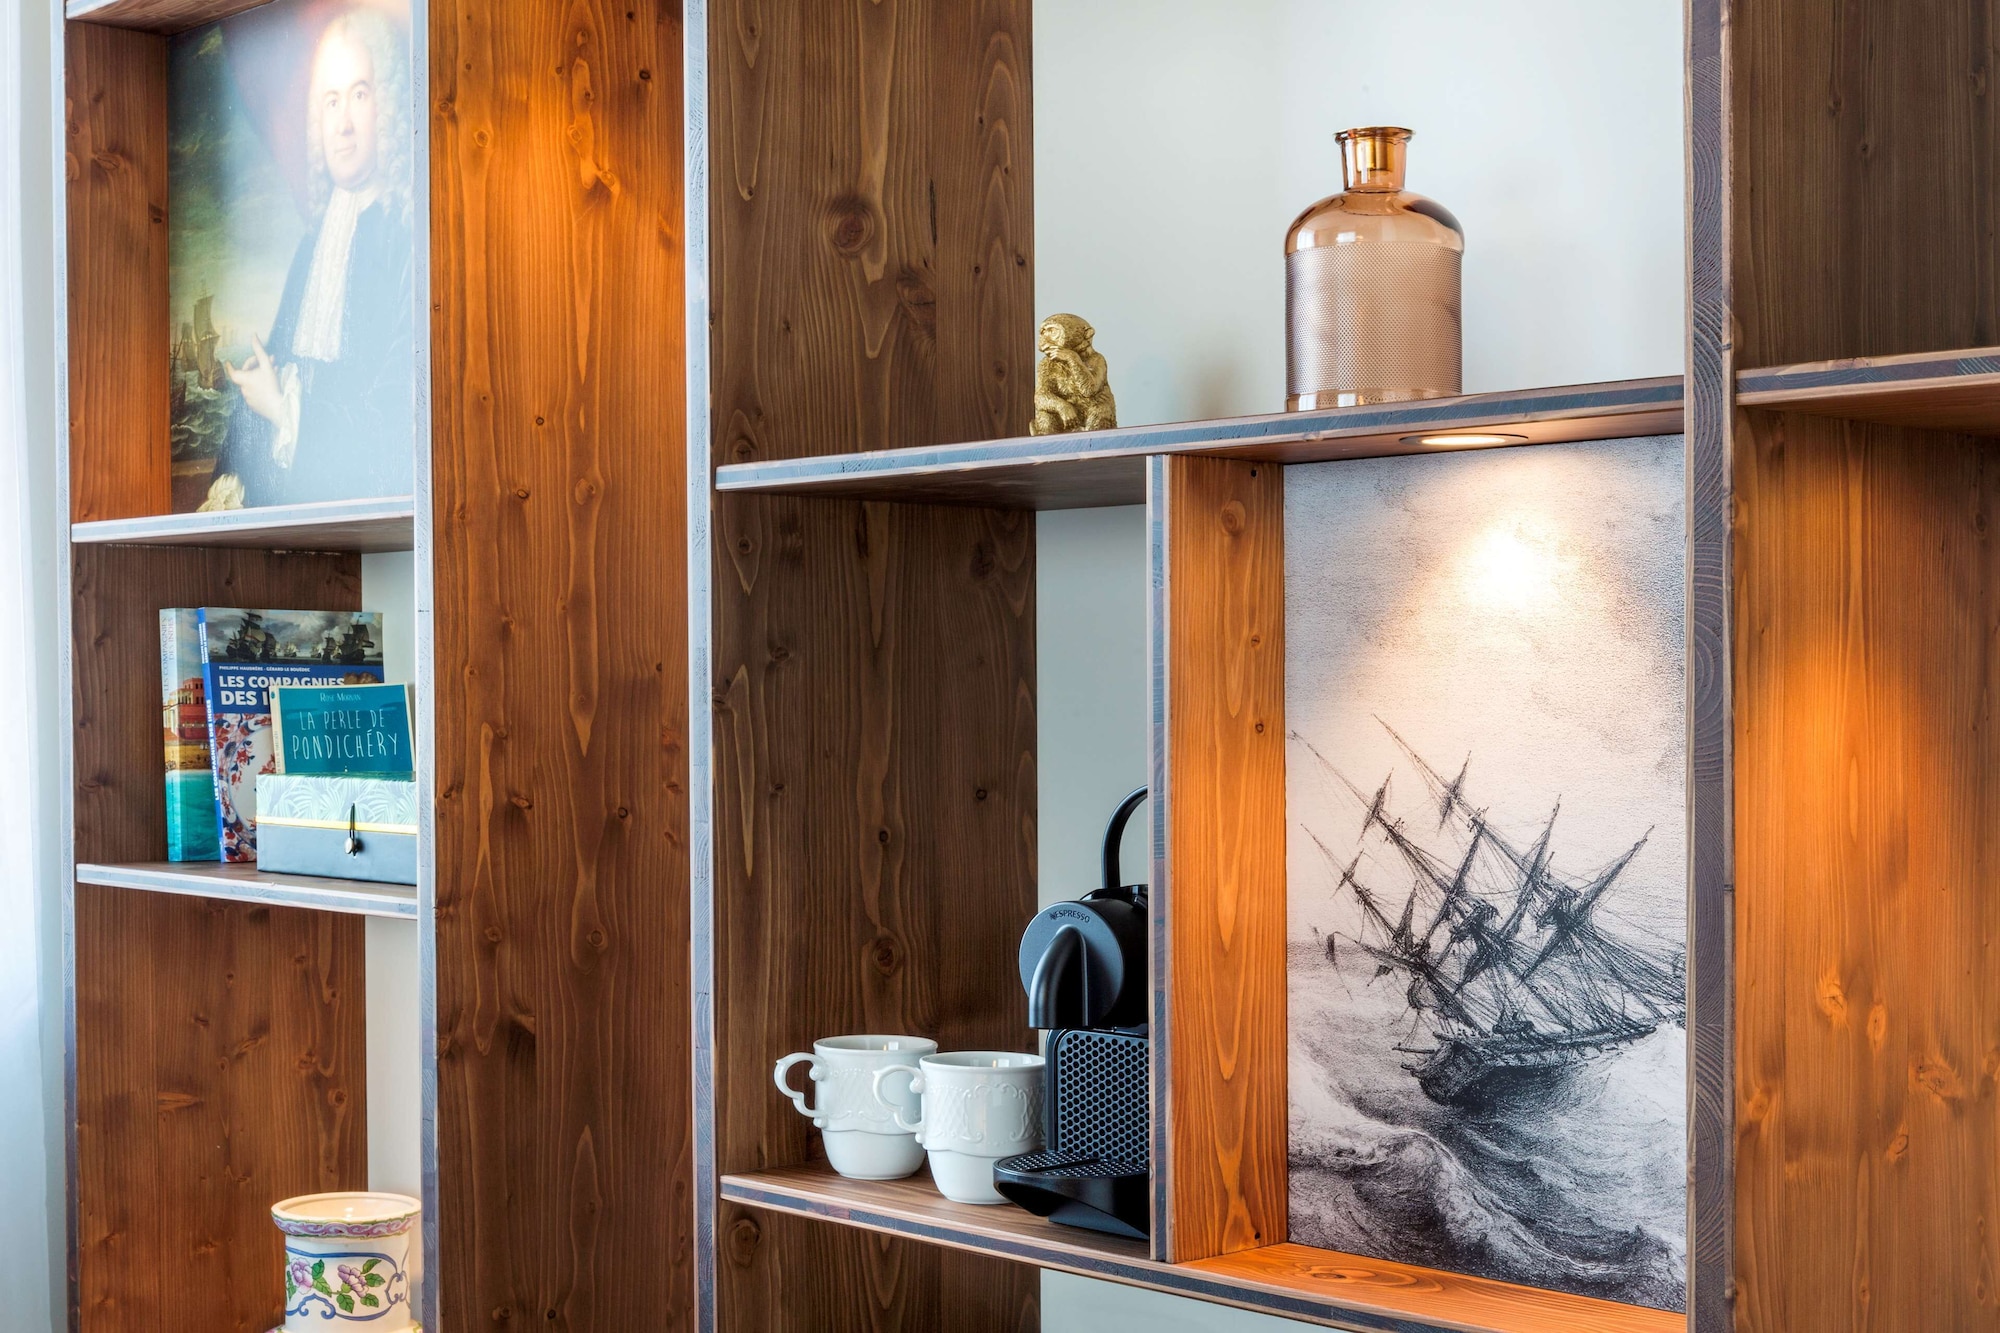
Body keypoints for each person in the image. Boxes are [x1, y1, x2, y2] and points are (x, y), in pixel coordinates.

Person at [204, 7, 413, 510]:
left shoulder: (402, 239)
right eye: (331, 101)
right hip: (290, 503)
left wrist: (284, 409)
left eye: (360, 95)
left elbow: (396, 419)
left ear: (386, 105)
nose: (343, 125)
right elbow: (278, 368)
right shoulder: (311, 248)